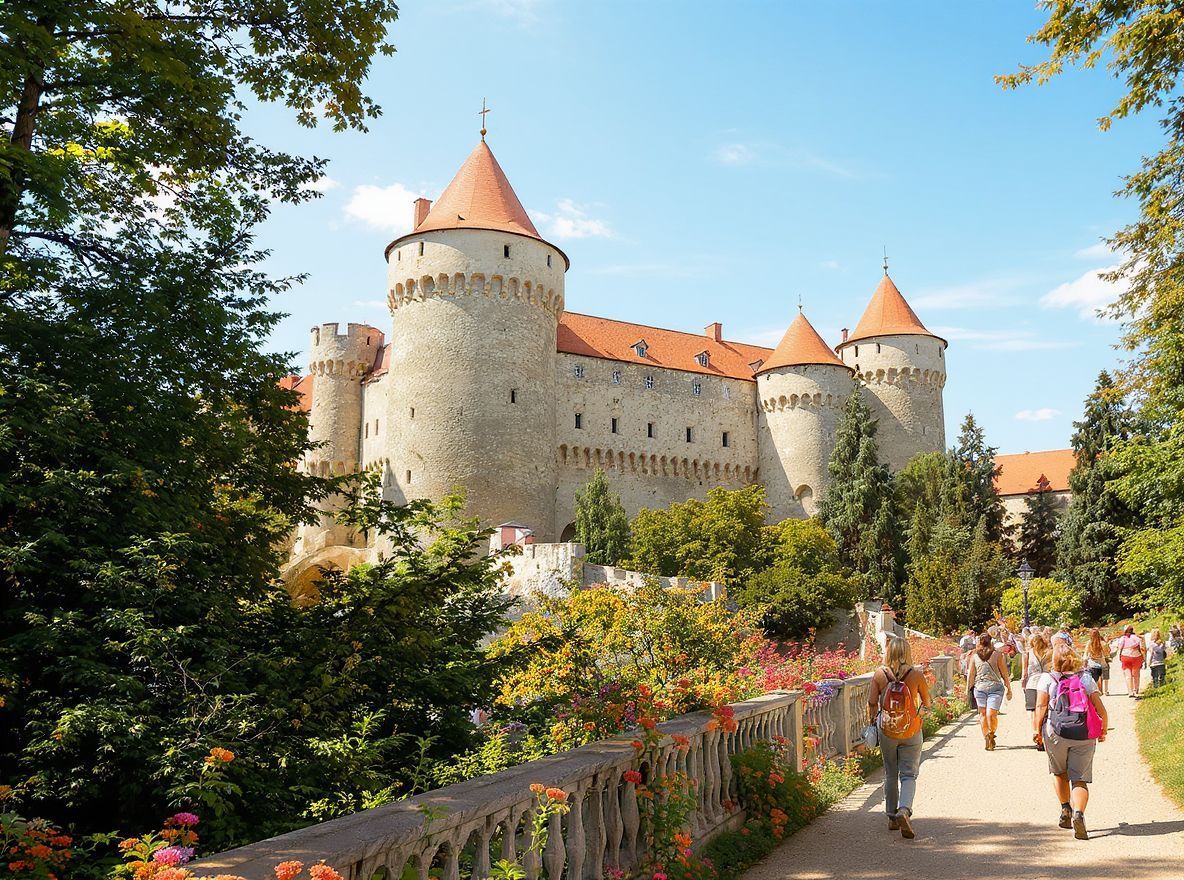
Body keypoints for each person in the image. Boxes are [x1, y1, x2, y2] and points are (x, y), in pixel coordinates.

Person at [1035, 643, 1108, 840]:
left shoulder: (1047, 678)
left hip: (1055, 733)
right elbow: (1100, 708)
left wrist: (1036, 732)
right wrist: (1103, 730)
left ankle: (1066, 809)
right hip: (1084, 734)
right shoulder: (1085, 677)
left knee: (1059, 772)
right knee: (1080, 778)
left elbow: (1041, 706)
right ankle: (1079, 814)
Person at [867, 635, 932, 840]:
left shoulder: (879, 674)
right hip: (911, 729)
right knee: (909, 774)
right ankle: (904, 810)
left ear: (889, 653)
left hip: (887, 730)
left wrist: (873, 720)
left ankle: (892, 817)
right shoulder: (916, 675)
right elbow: (927, 704)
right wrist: (919, 716)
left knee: (890, 773)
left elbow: (871, 702)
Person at [968, 632, 1013, 750]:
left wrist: (1009, 688)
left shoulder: (998, 655)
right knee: (983, 714)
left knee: (990, 714)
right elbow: (971, 674)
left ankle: (992, 733)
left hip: (995, 688)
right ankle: (987, 737)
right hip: (980, 688)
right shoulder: (975, 656)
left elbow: (1004, 673)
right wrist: (968, 689)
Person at [1024, 631, 1053, 748]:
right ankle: (1043, 733)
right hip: (1046, 683)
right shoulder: (1050, 652)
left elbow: (1024, 673)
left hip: (1032, 683)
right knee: (1045, 709)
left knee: (1033, 711)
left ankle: (1036, 731)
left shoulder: (1027, 654)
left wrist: (1023, 684)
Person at [1116, 625, 1146, 697]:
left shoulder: (1122, 638)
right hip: (1136, 657)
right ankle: (1136, 690)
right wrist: (1144, 658)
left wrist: (1119, 657)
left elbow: (1119, 649)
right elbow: (1142, 648)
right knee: (1136, 674)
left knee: (1128, 676)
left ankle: (1130, 692)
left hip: (1125, 657)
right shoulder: (1136, 638)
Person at [1082, 628, 1112, 696]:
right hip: (1103, 662)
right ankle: (1106, 691)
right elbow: (1107, 653)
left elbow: (1085, 654)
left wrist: (1085, 662)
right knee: (1105, 677)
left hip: (1093, 664)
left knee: (1094, 679)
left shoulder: (1089, 643)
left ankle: (1097, 690)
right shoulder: (1103, 643)